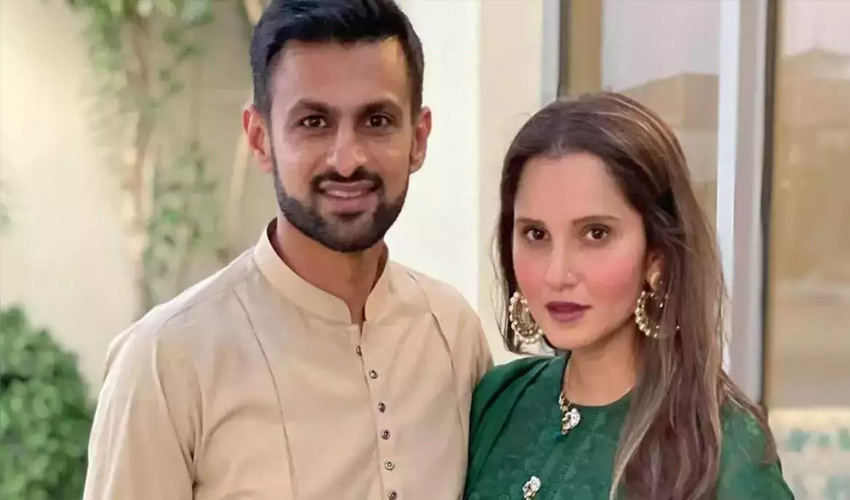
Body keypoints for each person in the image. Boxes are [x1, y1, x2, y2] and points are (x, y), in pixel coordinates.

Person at [83, 1, 492, 499]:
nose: (347, 160)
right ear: (260, 139)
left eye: (377, 120)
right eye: (314, 122)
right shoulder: (167, 361)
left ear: (418, 138)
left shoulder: (453, 334)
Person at [463, 93, 794, 500]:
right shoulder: (499, 401)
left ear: (657, 255)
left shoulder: (725, 452)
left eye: (595, 234)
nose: (557, 274)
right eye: (536, 234)